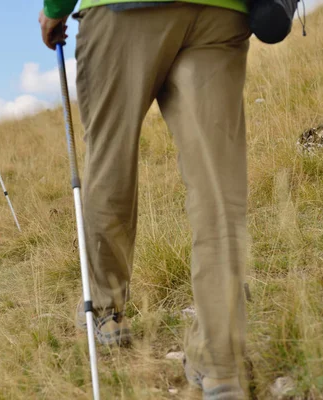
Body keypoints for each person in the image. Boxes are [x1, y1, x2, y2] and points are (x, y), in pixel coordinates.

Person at [39, 0, 250, 398]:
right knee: (217, 188)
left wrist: (55, 8)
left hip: (123, 12)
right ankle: (221, 364)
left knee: (110, 164)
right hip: (219, 12)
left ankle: (107, 313)